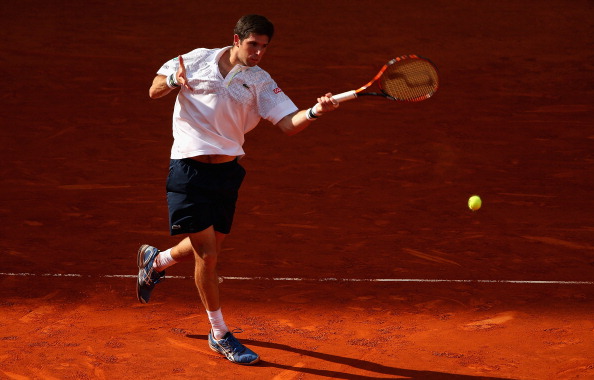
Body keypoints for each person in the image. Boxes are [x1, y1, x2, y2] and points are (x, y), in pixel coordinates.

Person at [136, 14, 339, 365]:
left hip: (228, 173)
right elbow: (154, 90)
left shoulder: (260, 81)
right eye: (253, 45)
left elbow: (289, 124)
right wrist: (173, 79)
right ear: (236, 39)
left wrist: (316, 111)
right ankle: (220, 334)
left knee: (211, 243)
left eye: (264, 47)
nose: (258, 52)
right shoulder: (195, 60)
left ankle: (157, 261)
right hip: (188, 169)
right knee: (208, 256)